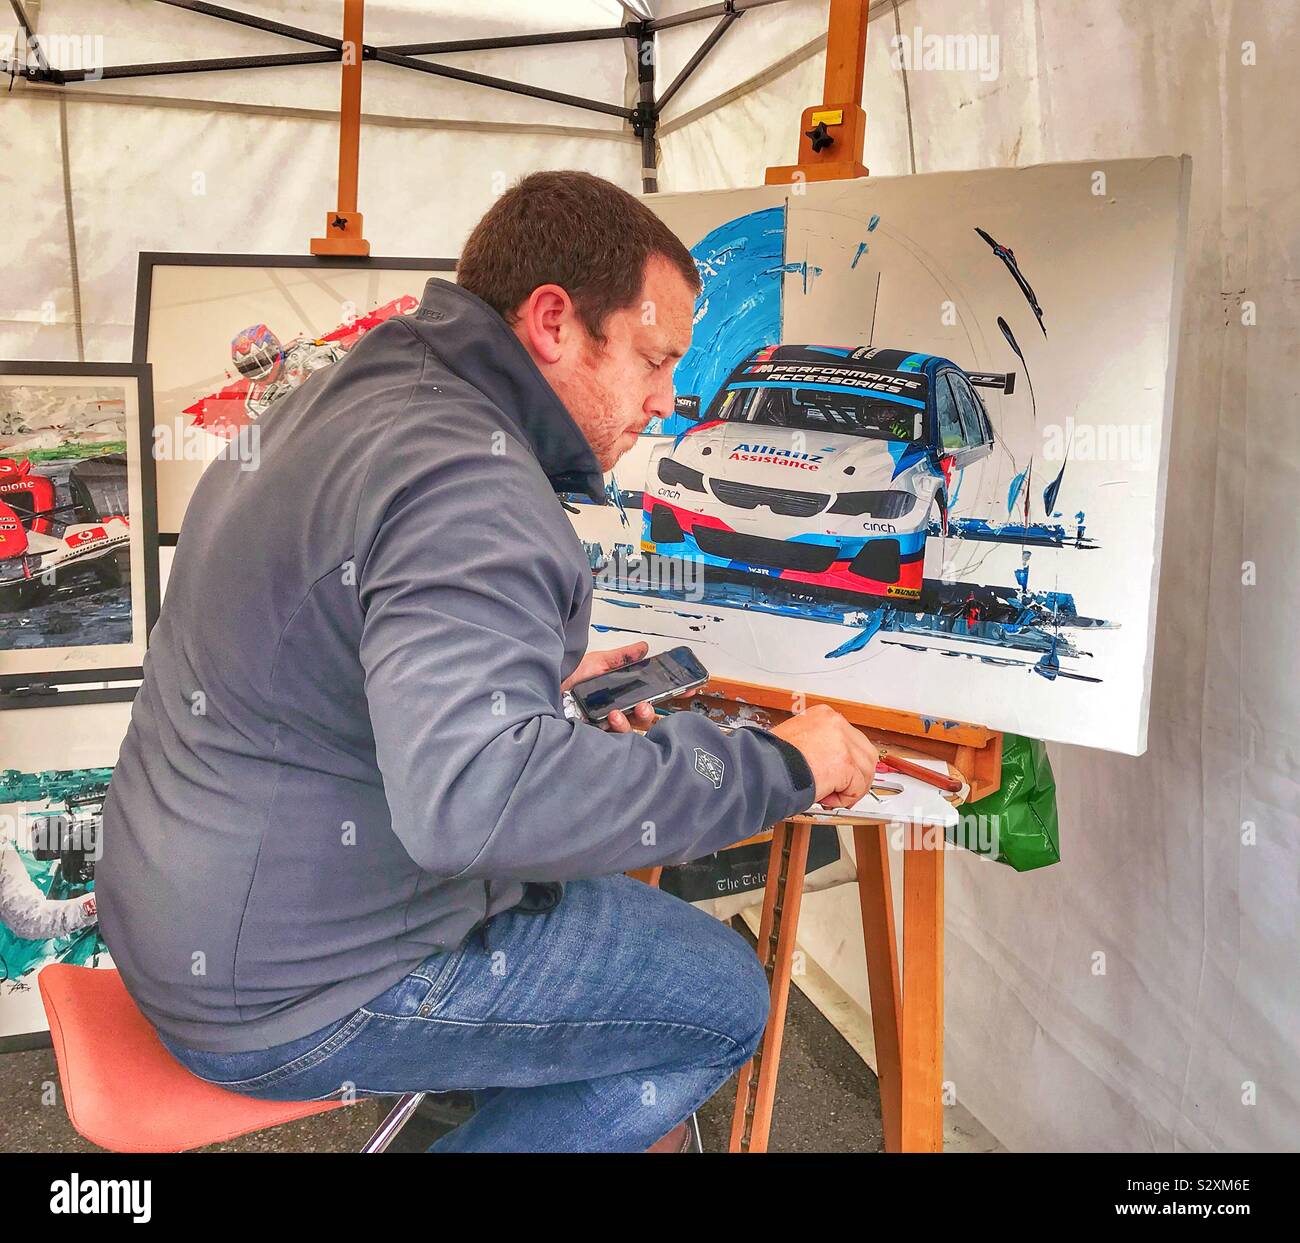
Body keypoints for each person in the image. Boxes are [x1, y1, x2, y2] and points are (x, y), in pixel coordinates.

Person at [96, 171, 878, 1152]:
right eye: (651, 357)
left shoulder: (338, 402)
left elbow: (326, 650)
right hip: (287, 990)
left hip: (181, 924)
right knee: (718, 999)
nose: (667, 401)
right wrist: (783, 764)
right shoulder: (472, 479)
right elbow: (474, 801)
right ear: (553, 321)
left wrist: (530, 678)